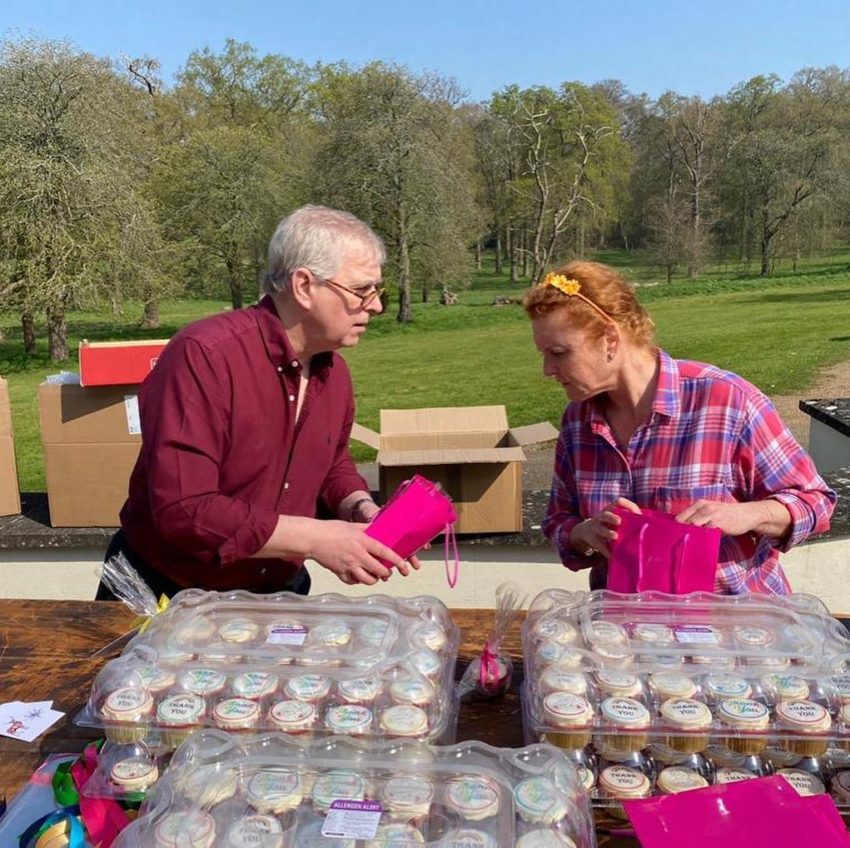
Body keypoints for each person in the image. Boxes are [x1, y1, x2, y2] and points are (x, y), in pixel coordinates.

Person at [97, 205, 415, 600]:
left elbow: (332, 464)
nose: (376, 306)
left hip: (274, 594)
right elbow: (184, 508)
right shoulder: (204, 355)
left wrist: (359, 508)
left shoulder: (334, 374)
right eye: (361, 291)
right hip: (164, 594)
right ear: (304, 286)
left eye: (377, 292)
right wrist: (317, 539)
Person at [524, 260, 836, 594]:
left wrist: (746, 515)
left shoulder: (726, 401)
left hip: (737, 621)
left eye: (559, 353)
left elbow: (815, 502)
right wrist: (583, 533)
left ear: (610, 339)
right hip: (626, 623)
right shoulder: (578, 422)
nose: (547, 369)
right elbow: (558, 520)